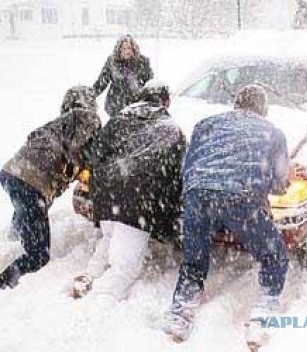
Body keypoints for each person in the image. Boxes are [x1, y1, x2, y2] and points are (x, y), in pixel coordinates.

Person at [163, 85, 307, 343]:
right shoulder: (272, 133)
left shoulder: (205, 124)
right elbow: (278, 184)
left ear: (236, 104)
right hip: (241, 197)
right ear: (263, 109)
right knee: (273, 255)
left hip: (198, 195)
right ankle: (263, 311)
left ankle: (180, 315)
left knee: (194, 260)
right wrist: (288, 175)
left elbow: (188, 166)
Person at [71, 80, 186, 300]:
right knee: (125, 267)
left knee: (110, 236)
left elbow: (94, 155)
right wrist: (166, 219)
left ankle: (90, 275)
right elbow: (177, 177)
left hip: (106, 195)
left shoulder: (117, 120)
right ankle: (98, 300)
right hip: (139, 201)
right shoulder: (171, 130)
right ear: (166, 102)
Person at [0, 86, 101, 289]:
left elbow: (33, 137)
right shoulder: (88, 119)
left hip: (12, 173)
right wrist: (88, 165)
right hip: (32, 182)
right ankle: (4, 282)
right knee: (39, 255)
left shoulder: (58, 124)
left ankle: (11, 239)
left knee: (27, 208)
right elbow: (80, 153)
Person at [93, 34, 154, 118]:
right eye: (124, 48)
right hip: (116, 105)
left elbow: (150, 83)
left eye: (129, 48)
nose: (127, 51)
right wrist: (91, 95)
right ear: (119, 50)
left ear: (134, 49)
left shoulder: (142, 62)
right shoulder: (112, 62)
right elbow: (101, 82)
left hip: (136, 105)